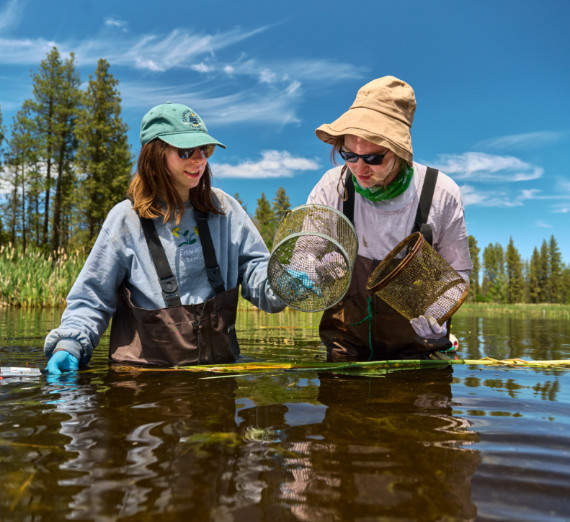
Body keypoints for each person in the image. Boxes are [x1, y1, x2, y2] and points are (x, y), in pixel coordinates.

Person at [44, 102, 286, 373]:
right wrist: (70, 344)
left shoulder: (227, 211)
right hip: (141, 388)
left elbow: (260, 278)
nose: (199, 160)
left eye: (204, 150)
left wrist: (286, 283)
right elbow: (91, 299)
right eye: (185, 151)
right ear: (156, 157)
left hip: (217, 384)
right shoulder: (124, 220)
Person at [307, 76, 472, 361]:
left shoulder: (440, 193)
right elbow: (305, 253)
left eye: (373, 158)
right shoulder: (330, 188)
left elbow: (458, 274)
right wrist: (314, 269)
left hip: (420, 349)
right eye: (349, 155)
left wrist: (439, 318)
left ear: (399, 151)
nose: (359, 168)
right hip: (346, 349)